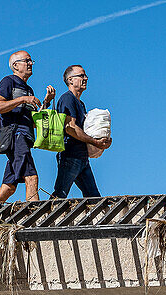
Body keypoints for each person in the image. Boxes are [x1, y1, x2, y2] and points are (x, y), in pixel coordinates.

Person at [0, 51, 54, 204]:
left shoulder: (29, 89)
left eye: (31, 61)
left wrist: (46, 102)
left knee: (9, 187)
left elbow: (33, 120)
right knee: (32, 177)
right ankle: (34, 220)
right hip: (15, 136)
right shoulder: (8, 82)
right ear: (15, 65)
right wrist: (23, 99)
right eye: (27, 61)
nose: (31, 64)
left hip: (25, 137)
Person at [52, 65, 112, 198]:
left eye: (85, 76)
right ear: (70, 80)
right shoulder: (67, 99)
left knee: (94, 197)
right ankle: (45, 217)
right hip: (70, 155)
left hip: (82, 158)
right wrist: (95, 141)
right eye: (81, 75)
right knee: (60, 194)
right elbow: (70, 127)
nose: (85, 78)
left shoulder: (81, 103)